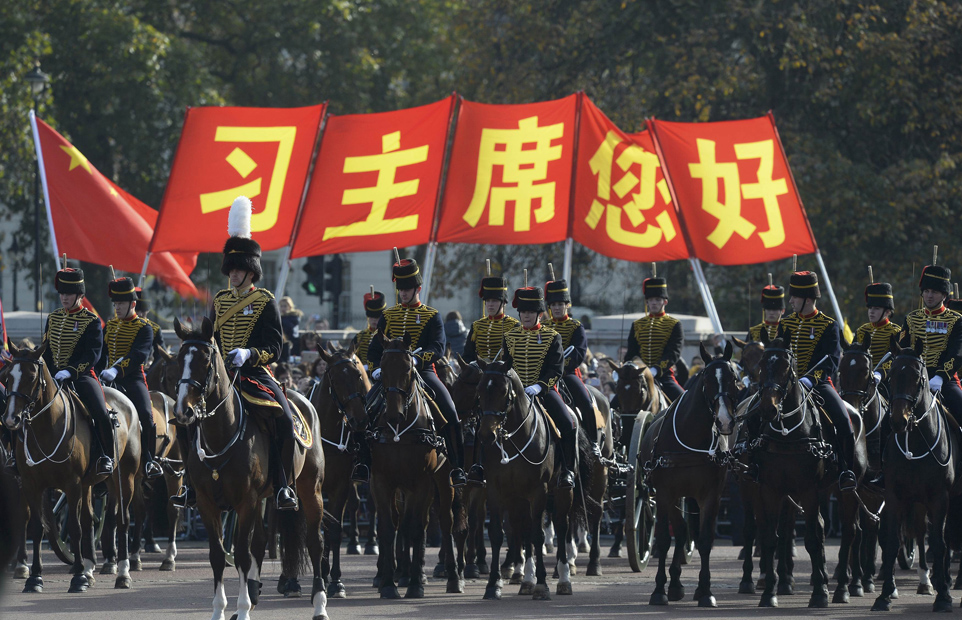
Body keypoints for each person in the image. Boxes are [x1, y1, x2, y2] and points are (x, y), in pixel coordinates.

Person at [173, 196, 297, 510]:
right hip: (218, 376)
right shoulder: (219, 300)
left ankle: (282, 485)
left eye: (239, 269)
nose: (233, 275)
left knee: (283, 418)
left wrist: (249, 355)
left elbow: (274, 347)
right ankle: (190, 484)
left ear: (250, 271)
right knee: (185, 419)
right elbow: (207, 338)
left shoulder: (265, 301)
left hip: (253, 373)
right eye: (231, 269)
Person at [361, 255, 467, 488]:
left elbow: (438, 347)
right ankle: (362, 462)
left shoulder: (431, 315)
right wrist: (377, 370)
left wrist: (417, 361)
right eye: (401, 289)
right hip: (391, 375)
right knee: (363, 411)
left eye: (408, 288)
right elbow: (373, 350)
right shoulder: (388, 316)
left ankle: (458, 467)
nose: (404, 293)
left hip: (423, 371)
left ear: (418, 288)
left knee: (451, 414)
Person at [776, 271, 857, 492]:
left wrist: (810, 380)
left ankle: (846, 470)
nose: (790, 301)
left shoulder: (828, 325)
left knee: (844, 423)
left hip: (818, 384)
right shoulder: (785, 324)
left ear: (808, 300)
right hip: (785, 386)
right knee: (757, 410)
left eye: (794, 297)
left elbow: (830, 360)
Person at [42, 267, 115, 476]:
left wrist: (71, 372)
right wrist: (47, 371)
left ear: (80, 295)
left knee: (101, 412)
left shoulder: (91, 321)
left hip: (81, 376)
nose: (64, 297)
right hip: (53, 376)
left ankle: (105, 456)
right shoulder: (53, 318)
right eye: (62, 293)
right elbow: (46, 350)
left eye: (69, 294)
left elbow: (93, 355)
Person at [502, 286, 577, 489]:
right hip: (515, 394)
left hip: (543, 391)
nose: (526, 316)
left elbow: (556, 370)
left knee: (567, 422)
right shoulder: (509, 337)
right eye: (523, 312)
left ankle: (568, 471)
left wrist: (539, 386)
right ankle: (480, 467)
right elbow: (505, 367)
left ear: (539, 314)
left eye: (530, 312)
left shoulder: (552, 337)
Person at [98, 277, 163, 479]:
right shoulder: (109, 327)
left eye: (121, 304)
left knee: (146, 415)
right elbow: (101, 356)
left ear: (132, 304)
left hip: (132, 378)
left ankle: (150, 460)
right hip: (108, 379)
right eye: (116, 304)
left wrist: (117, 369)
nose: (117, 307)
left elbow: (138, 355)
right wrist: (97, 373)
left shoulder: (144, 328)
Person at [900, 264, 962, 424]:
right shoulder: (910, 318)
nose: (929, 295)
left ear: (943, 295)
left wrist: (940, 377)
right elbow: (901, 349)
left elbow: (957, 353)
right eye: (926, 291)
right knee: (887, 421)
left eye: (934, 292)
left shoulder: (956, 320)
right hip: (913, 378)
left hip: (944, 381)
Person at [545, 277, 600, 456]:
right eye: (553, 304)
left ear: (567, 305)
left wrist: (559, 368)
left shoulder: (576, 327)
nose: (557, 308)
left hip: (568, 374)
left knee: (586, 403)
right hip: (544, 377)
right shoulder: (543, 327)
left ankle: (593, 442)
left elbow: (578, 353)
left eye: (560, 304)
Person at [624, 276, 685, 401]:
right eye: (650, 300)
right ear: (646, 302)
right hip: (638, 375)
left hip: (663, 375)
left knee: (685, 402)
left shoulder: (674, 324)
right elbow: (632, 351)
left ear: (665, 302)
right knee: (613, 405)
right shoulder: (637, 324)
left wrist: (656, 369)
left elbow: (674, 352)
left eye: (658, 299)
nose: (654, 303)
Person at [462, 272, 519, 363]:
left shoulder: (513, 326)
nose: (490, 304)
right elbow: (468, 355)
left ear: (503, 303)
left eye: (495, 301)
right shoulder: (477, 326)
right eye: (488, 301)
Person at [855, 281, 900, 391]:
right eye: (870, 308)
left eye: (876, 309)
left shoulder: (895, 332)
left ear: (887, 311)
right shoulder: (861, 330)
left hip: (884, 382)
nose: (871, 312)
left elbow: (893, 358)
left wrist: (880, 373)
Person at [352, 290, 385, 372]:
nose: (374, 320)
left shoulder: (386, 335)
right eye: (371, 317)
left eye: (377, 318)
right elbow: (353, 356)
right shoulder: (360, 336)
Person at [279, 296, 302, 363]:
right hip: (283, 343)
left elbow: (289, 327)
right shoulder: (280, 317)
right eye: (281, 306)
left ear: (290, 307)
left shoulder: (294, 317)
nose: (283, 308)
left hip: (292, 343)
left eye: (285, 306)